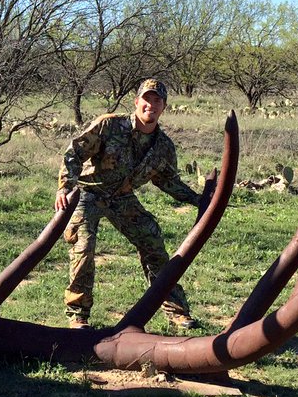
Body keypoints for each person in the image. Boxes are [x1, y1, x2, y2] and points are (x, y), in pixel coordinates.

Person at [55, 78, 202, 330]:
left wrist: (200, 199)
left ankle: (177, 311)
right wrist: (65, 187)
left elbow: (168, 181)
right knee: (84, 245)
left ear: (164, 107)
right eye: (146, 99)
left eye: (157, 101)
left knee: (152, 239)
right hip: (88, 193)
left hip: (121, 198)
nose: (151, 106)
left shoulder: (163, 146)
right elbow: (74, 153)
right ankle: (78, 315)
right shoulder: (109, 125)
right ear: (136, 102)